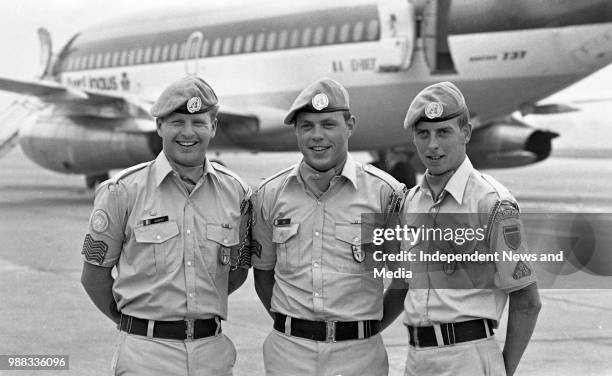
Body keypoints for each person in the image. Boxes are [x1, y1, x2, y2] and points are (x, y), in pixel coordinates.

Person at [80, 75, 252, 375]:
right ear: (159, 126)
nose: (188, 132)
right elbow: (93, 275)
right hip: (145, 354)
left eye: (198, 122)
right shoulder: (122, 191)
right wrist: (131, 322)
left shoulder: (236, 193)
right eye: (177, 122)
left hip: (211, 352)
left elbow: (236, 273)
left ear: (213, 127)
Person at [251, 77, 407, 376]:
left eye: (328, 125)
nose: (316, 136)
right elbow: (263, 275)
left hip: (361, 357)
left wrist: (364, 329)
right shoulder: (270, 194)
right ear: (296, 131)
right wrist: (295, 327)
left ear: (349, 126)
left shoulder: (385, 194)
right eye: (306, 126)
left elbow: (403, 281)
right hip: (289, 355)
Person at [392, 81, 541, 376]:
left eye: (443, 132)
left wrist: (501, 369)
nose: (433, 144)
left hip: (468, 358)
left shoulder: (492, 203)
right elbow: (403, 283)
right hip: (416, 359)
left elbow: (527, 300)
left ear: (466, 133)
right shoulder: (411, 202)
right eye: (424, 134)